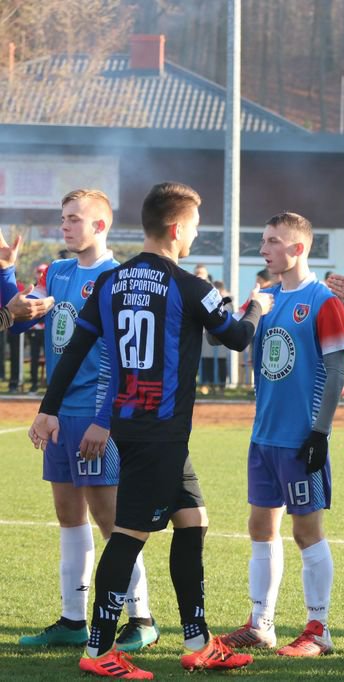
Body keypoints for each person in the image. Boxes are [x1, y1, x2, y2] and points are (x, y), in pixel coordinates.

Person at [29, 182, 272, 679]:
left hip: (136, 426)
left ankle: (198, 641)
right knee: (128, 534)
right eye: (195, 227)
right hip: (158, 432)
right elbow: (237, 337)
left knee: (193, 519)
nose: (196, 235)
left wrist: (46, 407)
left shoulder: (110, 282)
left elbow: (74, 350)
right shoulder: (190, 286)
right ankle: (99, 649)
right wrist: (255, 307)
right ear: (177, 229)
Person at [6, 192, 160, 652]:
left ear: (100, 226)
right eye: (63, 219)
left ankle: (142, 618)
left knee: (111, 520)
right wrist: (5, 273)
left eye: (74, 219)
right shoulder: (56, 272)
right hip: (59, 416)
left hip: (97, 417)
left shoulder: (119, 279)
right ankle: (73, 619)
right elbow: (22, 317)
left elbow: (126, 359)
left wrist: (104, 419)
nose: (65, 227)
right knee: (68, 516)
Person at [220, 212, 344, 657]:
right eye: (263, 240)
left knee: (307, 531)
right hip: (264, 436)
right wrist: (244, 306)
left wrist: (320, 432)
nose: (264, 249)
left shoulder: (323, 301)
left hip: (300, 438)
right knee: (260, 526)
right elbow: (229, 339)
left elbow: (336, 372)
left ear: (298, 248)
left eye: (273, 241)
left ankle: (319, 630)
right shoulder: (266, 297)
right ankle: (261, 624)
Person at [26, 263, 47, 392]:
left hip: (47, 330)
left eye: (43, 272)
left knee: (49, 357)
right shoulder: (32, 289)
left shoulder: (52, 287)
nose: (40, 275)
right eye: (39, 272)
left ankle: (50, 385)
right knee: (34, 358)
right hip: (34, 329)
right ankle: (34, 384)